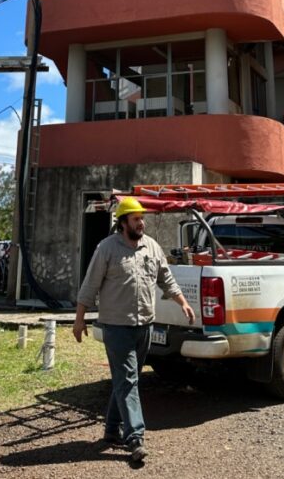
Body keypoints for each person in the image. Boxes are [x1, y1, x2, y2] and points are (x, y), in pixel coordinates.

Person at [73, 197, 195, 463]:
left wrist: (183, 303)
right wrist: (79, 319)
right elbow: (90, 284)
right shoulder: (106, 248)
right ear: (123, 222)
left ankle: (110, 430)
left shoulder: (151, 246)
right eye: (136, 218)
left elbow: (167, 279)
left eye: (142, 218)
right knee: (128, 380)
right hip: (116, 327)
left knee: (128, 380)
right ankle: (135, 438)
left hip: (144, 326)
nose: (142, 222)